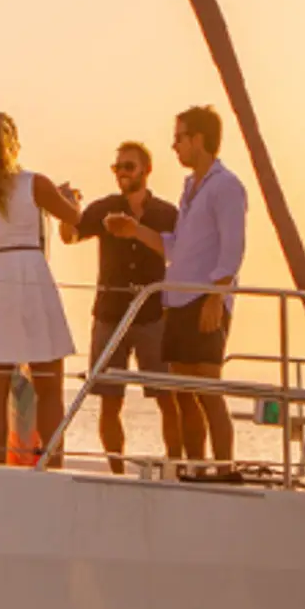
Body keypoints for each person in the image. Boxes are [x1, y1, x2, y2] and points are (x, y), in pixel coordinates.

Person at [106, 105, 247, 474]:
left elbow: (233, 247)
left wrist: (216, 298)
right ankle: (196, 469)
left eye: (179, 138)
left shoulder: (226, 186)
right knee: (183, 394)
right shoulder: (190, 188)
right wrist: (134, 230)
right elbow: (177, 247)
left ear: (198, 139)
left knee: (208, 391)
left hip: (205, 298)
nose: (174, 146)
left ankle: (225, 470)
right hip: (178, 298)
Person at [0, 112, 81, 466]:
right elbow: (75, 220)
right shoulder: (35, 184)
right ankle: (52, 464)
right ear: (14, 143)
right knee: (49, 384)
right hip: (30, 275)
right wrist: (72, 199)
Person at [60, 141, 182, 473]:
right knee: (110, 399)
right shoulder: (102, 209)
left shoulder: (167, 214)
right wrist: (65, 207)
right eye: (118, 168)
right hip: (110, 313)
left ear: (146, 170)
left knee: (167, 397)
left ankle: (176, 468)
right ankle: (116, 471)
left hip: (153, 315)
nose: (122, 173)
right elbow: (70, 236)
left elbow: (182, 255)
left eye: (129, 166)